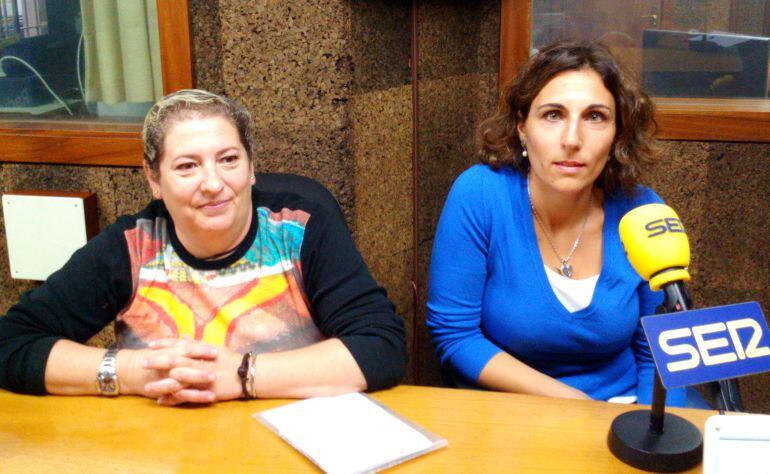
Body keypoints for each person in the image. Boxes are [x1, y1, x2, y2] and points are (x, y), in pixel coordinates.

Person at [0, 89, 407, 405]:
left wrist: (241, 374)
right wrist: (133, 371)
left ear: (251, 168)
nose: (213, 183)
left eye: (228, 159)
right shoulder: (131, 247)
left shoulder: (299, 229)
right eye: (187, 166)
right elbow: (11, 342)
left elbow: (380, 346)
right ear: (154, 179)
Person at [427, 42, 706, 407]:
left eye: (595, 117)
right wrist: (577, 407)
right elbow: (456, 335)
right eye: (553, 115)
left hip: (627, 406)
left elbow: (660, 352)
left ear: (617, 134)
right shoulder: (480, 195)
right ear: (522, 127)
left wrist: (645, 432)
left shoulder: (644, 211)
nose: (572, 140)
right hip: (513, 410)